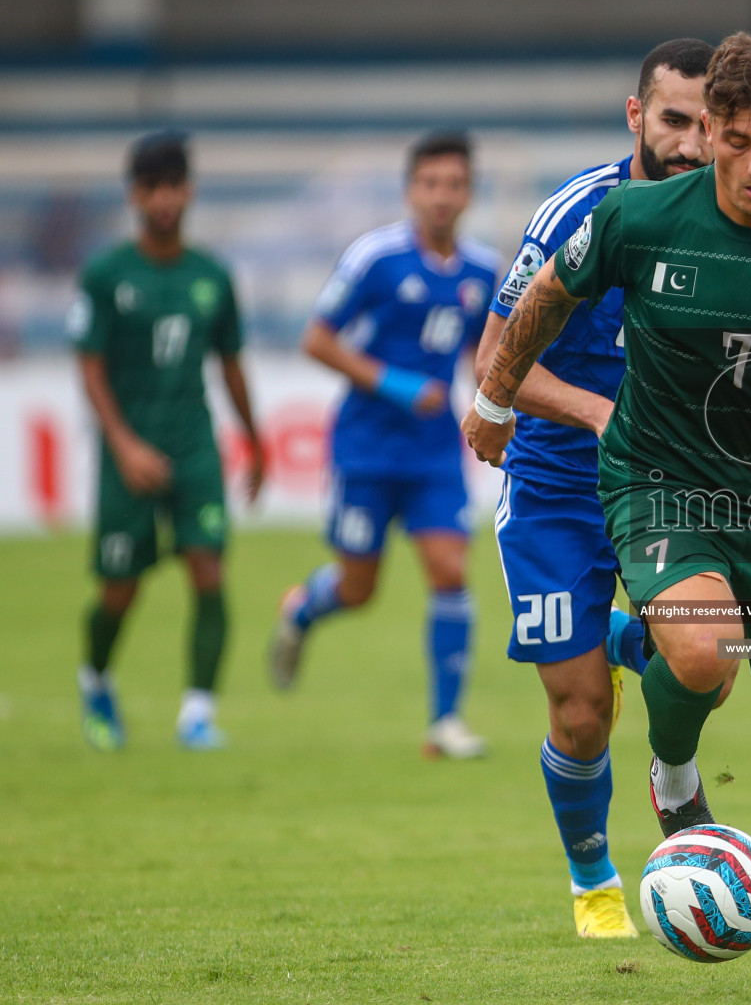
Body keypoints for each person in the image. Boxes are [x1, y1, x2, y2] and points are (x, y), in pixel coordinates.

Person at [463, 32, 751, 977]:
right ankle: (674, 779)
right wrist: (491, 394)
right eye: (740, 139)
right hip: (659, 483)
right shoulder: (638, 217)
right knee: (704, 649)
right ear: (711, 130)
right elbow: (544, 298)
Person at [474, 37, 731, 940]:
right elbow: (497, 359)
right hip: (553, 482)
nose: (693, 145)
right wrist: (591, 410)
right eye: (673, 121)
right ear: (636, 117)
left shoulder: (733, 220)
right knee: (581, 713)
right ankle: (595, 882)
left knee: (710, 664)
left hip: (662, 485)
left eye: (710, 125)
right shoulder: (580, 212)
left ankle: (668, 761)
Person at [266, 132, 500, 759]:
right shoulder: (375, 258)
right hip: (367, 447)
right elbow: (317, 339)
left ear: (469, 193)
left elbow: (485, 357)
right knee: (358, 588)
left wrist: (499, 408)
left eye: (454, 185)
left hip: (432, 451)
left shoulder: (482, 270)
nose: (442, 197)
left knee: (451, 571)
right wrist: (392, 383)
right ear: (410, 191)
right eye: (431, 184)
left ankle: (444, 723)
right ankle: (301, 610)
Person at [71, 131, 264, 752]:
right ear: (134, 195)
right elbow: (90, 367)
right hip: (128, 452)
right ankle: (96, 678)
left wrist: (255, 439)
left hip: (193, 444)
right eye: (151, 188)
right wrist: (124, 446)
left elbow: (231, 364)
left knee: (208, 569)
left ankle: (198, 714)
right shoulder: (106, 275)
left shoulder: (211, 275)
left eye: (173, 186)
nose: (164, 199)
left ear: (190, 190)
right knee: (119, 589)